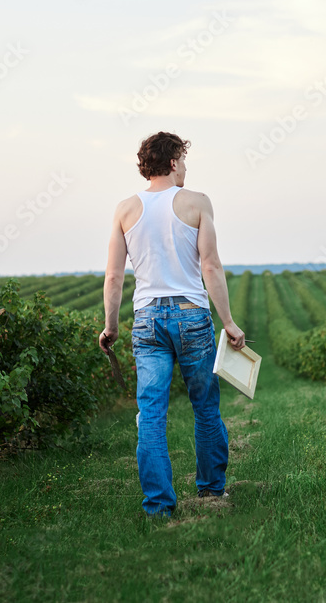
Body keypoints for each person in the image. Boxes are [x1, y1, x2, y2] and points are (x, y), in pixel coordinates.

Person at [99, 131, 246, 517]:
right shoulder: (197, 202)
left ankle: (159, 507)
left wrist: (110, 326)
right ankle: (212, 492)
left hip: (146, 320)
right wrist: (228, 322)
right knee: (205, 408)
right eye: (183, 159)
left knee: (150, 414)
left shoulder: (125, 209)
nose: (185, 167)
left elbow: (114, 277)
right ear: (173, 161)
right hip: (191, 316)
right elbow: (210, 265)